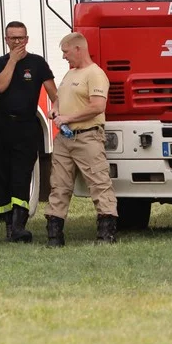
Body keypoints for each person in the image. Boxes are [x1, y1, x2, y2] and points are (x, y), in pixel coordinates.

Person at [46, 32, 117, 246]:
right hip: (65, 139)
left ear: (78, 49)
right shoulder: (70, 74)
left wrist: (69, 117)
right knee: (59, 186)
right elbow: (58, 98)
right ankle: (54, 237)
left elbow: (97, 106)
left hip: (87, 137)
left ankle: (106, 235)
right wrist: (56, 110)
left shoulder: (95, 74)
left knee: (99, 184)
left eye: (66, 52)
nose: (64, 57)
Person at [0, 21, 58, 243]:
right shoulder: (1, 62)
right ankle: (9, 225)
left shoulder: (37, 63)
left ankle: (19, 226)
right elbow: (0, 86)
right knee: (1, 175)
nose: (17, 42)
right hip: (1, 124)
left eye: (21, 38)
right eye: (12, 38)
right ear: (6, 40)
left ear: (27, 39)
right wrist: (12, 61)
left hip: (27, 125)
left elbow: (53, 93)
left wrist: (57, 109)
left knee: (22, 174)